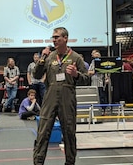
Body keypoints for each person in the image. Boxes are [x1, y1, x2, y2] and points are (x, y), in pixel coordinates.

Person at [33, 27, 89, 165]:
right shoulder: (50, 57)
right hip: (50, 96)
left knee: (69, 132)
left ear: (65, 38)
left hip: (67, 97)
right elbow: (36, 75)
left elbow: (87, 79)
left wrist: (76, 75)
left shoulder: (76, 58)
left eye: (57, 37)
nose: (54, 40)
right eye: (53, 37)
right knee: (43, 132)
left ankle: (70, 162)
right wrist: (42, 58)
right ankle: (38, 162)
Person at [88, 50, 108, 115]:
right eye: (95, 56)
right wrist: (94, 72)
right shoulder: (92, 62)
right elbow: (89, 72)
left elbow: (105, 73)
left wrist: (106, 78)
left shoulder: (102, 63)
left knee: (101, 97)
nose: (96, 58)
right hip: (93, 83)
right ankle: (95, 111)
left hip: (100, 84)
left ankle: (103, 110)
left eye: (97, 56)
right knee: (94, 98)